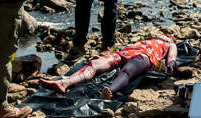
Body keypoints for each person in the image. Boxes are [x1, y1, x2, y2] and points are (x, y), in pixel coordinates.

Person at [40, 35, 177, 99]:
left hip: (146, 56)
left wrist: (170, 65)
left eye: (168, 36)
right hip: (127, 52)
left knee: (127, 72)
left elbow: (172, 58)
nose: (165, 36)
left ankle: (109, 91)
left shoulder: (170, 45)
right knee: (94, 65)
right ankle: (65, 82)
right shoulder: (148, 39)